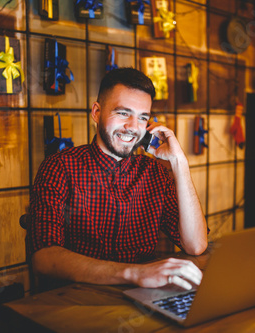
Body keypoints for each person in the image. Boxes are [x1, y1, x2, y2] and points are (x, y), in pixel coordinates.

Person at [27, 67, 208, 291]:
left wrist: (179, 163)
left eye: (143, 117)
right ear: (96, 112)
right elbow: (44, 258)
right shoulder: (60, 167)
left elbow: (196, 245)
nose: (133, 127)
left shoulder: (154, 173)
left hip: (141, 299)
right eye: (123, 113)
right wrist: (134, 273)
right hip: (75, 302)